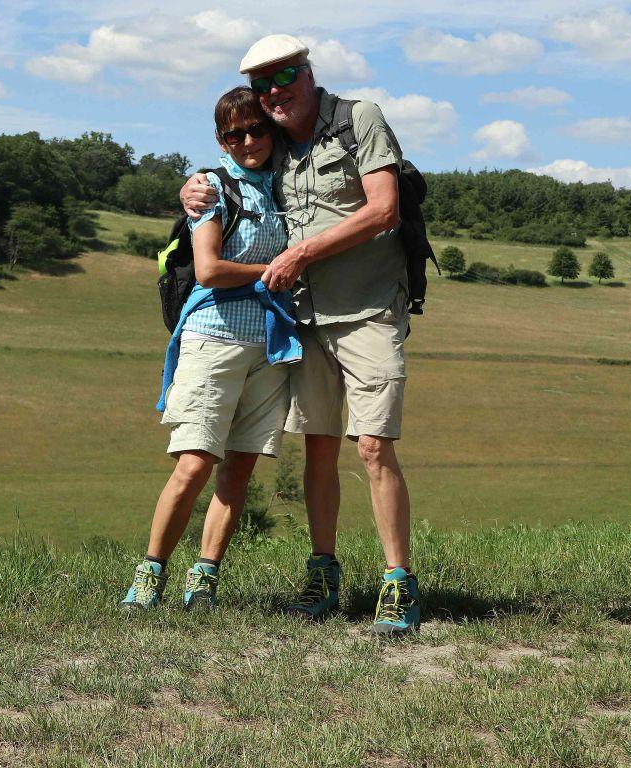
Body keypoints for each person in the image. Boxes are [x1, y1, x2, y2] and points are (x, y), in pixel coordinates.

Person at [180, 34, 419, 634]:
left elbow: (384, 208)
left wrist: (304, 251)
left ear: (308, 72)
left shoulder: (359, 119)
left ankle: (397, 584)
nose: (275, 91)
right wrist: (194, 188)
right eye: (263, 84)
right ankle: (323, 574)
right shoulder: (275, 138)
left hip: (367, 309)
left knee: (372, 445)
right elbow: (236, 170)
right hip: (305, 319)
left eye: (285, 76)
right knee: (317, 447)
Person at [120, 86, 301, 611]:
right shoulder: (212, 189)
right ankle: (150, 574)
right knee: (194, 464)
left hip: (270, 345)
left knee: (239, 468)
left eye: (256, 129)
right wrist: (280, 272)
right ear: (219, 141)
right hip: (214, 338)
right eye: (233, 134)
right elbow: (209, 270)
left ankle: (204, 578)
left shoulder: (290, 185)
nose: (247, 141)